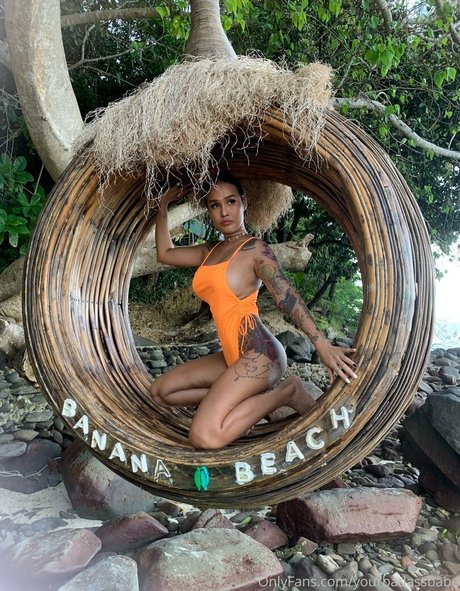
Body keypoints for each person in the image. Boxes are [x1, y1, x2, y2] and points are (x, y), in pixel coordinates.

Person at [150, 173, 357, 450]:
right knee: (160, 391)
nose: (224, 212)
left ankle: (287, 392)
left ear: (244, 203)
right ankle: (234, 400)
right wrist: (163, 206)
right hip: (230, 357)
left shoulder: (256, 249)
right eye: (214, 205)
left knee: (204, 436)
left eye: (231, 201)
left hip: (260, 355)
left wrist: (321, 345)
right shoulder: (210, 251)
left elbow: (287, 297)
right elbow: (164, 253)